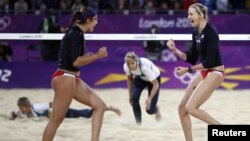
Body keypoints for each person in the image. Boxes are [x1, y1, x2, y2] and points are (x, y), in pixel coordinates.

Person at [42, 7, 121, 141]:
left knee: (100, 106)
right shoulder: (75, 34)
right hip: (65, 77)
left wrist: (87, 56)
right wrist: (97, 56)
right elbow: (76, 62)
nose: (97, 23)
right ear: (88, 20)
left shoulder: (76, 33)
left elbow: (75, 58)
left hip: (71, 77)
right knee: (56, 120)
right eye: (96, 19)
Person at [166, 3, 224, 141]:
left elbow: (209, 62)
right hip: (205, 71)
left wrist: (188, 70)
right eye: (188, 14)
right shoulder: (196, 32)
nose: (188, 17)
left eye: (191, 14)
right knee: (182, 109)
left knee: (191, 108)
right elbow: (191, 58)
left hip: (215, 72)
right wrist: (174, 50)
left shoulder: (211, 32)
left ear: (201, 15)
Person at [123, 51, 161, 125]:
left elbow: (155, 84)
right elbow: (130, 79)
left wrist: (149, 99)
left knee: (150, 110)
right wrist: (130, 95)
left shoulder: (144, 67)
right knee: (134, 99)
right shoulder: (126, 66)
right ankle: (138, 124)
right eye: (128, 64)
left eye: (132, 63)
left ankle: (156, 109)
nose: (130, 66)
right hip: (140, 78)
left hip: (154, 80)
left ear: (136, 62)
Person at [9, 97, 94, 120]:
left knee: (86, 115)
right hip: (58, 117)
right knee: (83, 114)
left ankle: (100, 108)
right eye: (20, 108)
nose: (21, 110)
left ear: (27, 106)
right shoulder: (21, 111)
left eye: (22, 108)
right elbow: (13, 114)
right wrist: (12, 117)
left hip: (60, 112)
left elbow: (52, 104)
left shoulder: (37, 107)